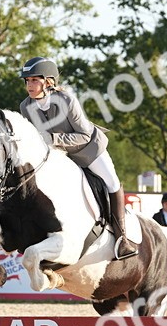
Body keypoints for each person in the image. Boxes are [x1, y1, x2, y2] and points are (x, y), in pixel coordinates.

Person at [18, 56, 137, 259]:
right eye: (27, 81)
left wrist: (53, 139)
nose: (29, 85)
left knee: (112, 183)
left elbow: (84, 135)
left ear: (48, 82)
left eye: (34, 80)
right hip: (63, 157)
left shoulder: (66, 100)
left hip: (90, 150)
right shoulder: (25, 106)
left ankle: (121, 239)